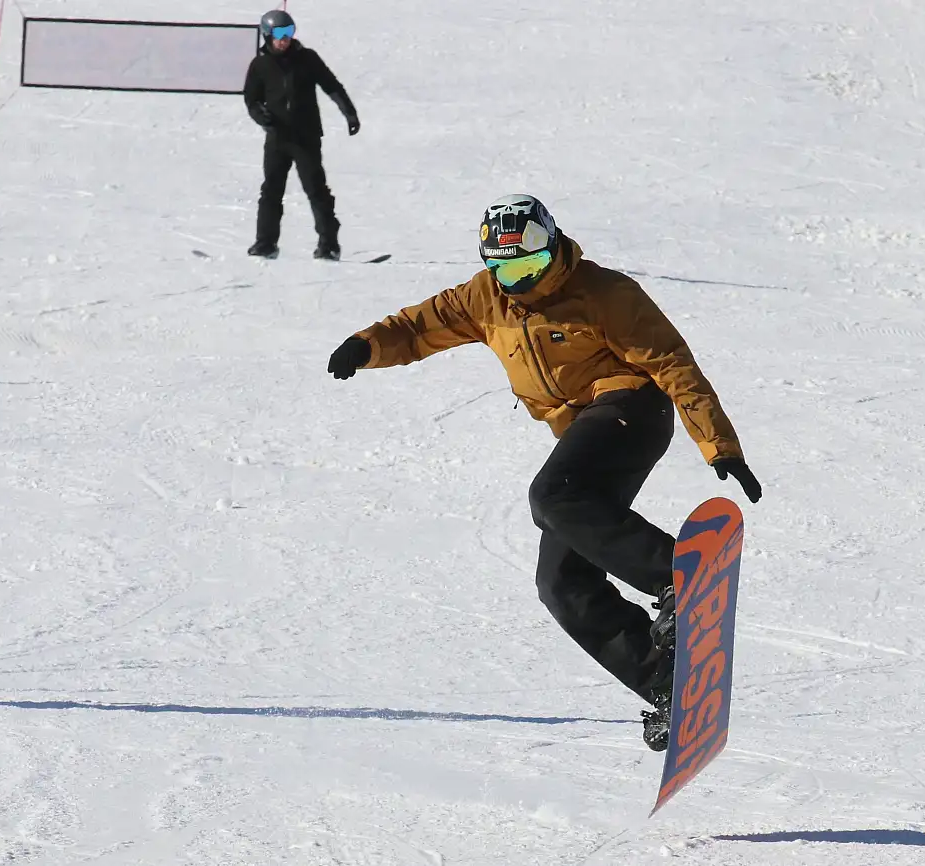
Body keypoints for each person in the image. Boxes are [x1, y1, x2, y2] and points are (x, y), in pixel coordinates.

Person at [326, 194, 762, 750]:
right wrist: (366, 346)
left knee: (551, 495)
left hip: (631, 409)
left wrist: (717, 442)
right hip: (580, 431)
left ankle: (679, 576)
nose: (520, 282)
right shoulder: (485, 298)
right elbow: (417, 328)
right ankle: (667, 682)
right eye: (505, 269)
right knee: (561, 582)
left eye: (530, 266)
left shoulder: (605, 293)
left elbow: (672, 363)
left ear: (552, 245)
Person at [243, 10, 360, 261]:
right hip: (277, 137)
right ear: (267, 35)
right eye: (279, 34)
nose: (285, 39)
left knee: (316, 189)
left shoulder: (307, 59)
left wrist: (349, 113)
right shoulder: (260, 65)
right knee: (271, 190)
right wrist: (259, 114)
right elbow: (251, 98)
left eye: (289, 33)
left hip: (305, 136)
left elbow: (332, 86)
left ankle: (328, 244)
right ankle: (266, 243)